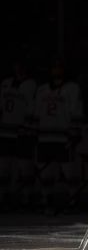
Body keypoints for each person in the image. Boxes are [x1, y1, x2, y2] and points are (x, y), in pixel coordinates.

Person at [33, 58, 83, 214]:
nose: (56, 71)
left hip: (63, 136)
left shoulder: (72, 89)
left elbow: (76, 110)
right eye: (54, 67)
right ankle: (46, 200)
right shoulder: (42, 90)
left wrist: (74, 133)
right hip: (45, 136)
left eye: (59, 67)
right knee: (46, 173)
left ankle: (72, 201)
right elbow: (36, 113)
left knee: (68, 172)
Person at [0, 58, 37, 211]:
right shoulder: (5, 83)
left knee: (24, 167)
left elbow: (32, 107)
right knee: (4, 167)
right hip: (5, 131)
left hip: (22, 131)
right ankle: (3, 197)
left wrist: (28, 127)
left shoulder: (31, 85)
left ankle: (25, 198)